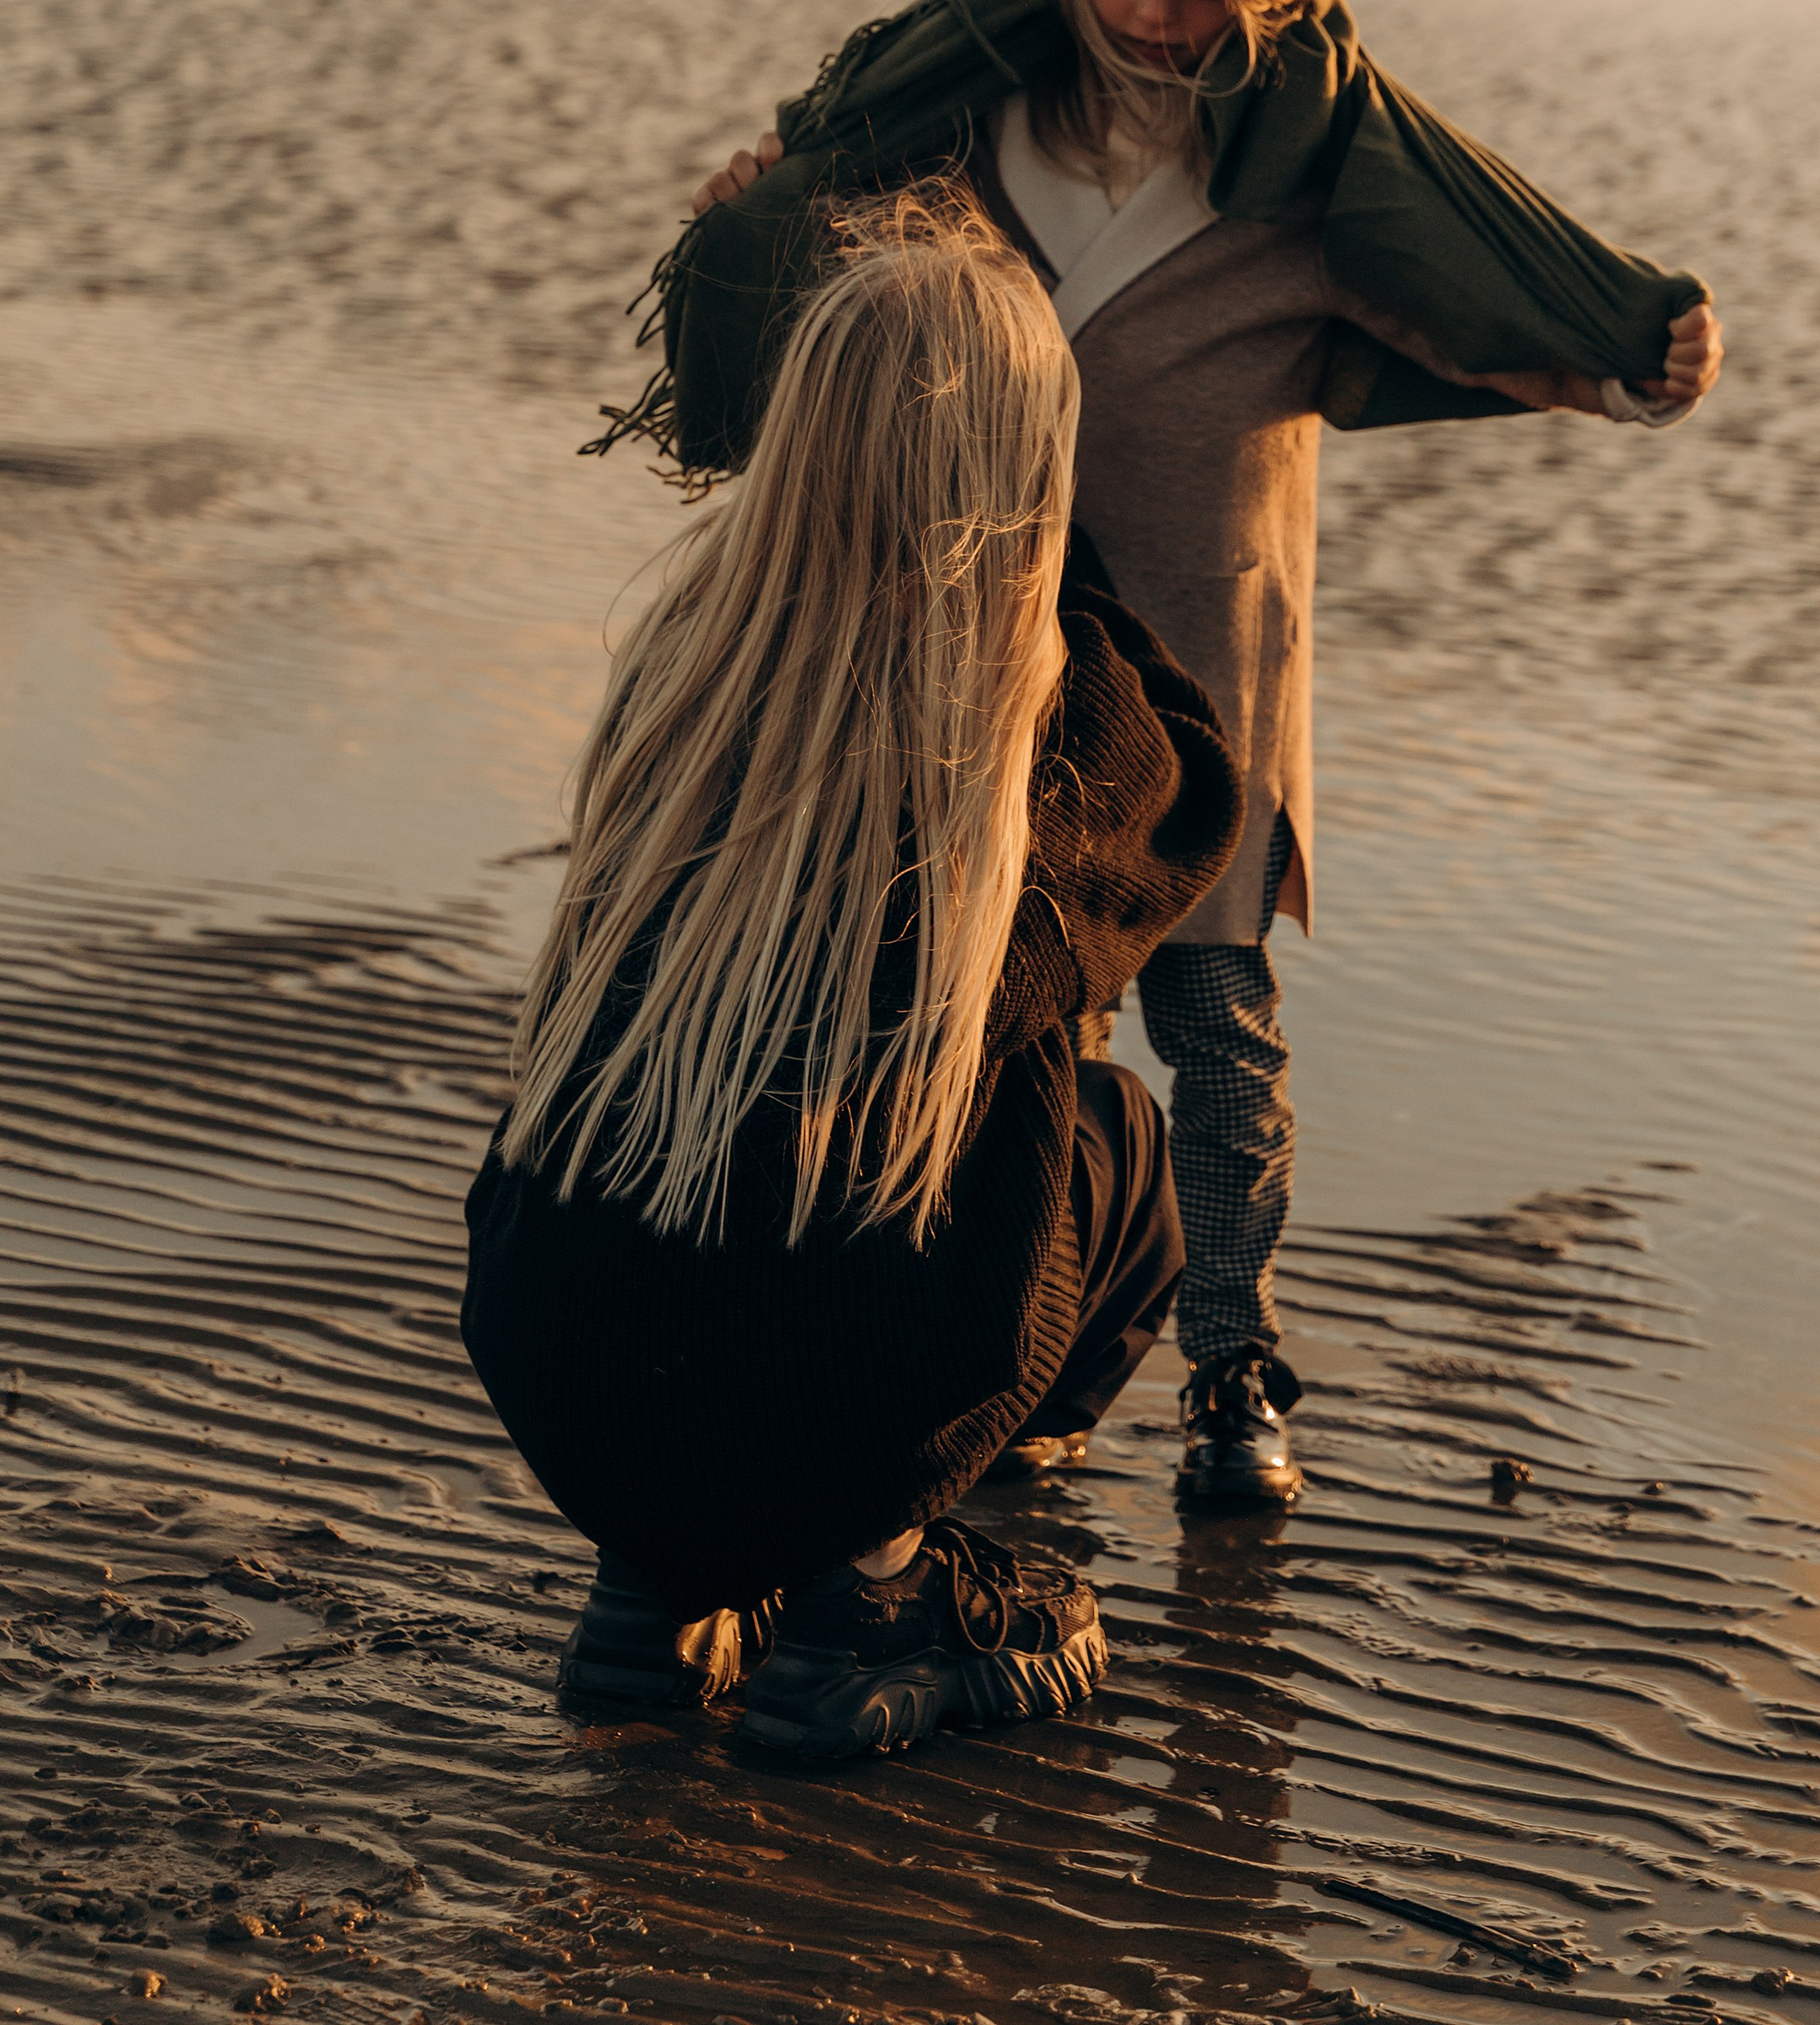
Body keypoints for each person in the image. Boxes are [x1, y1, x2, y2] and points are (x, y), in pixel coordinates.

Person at [599, 0, 1724, 1513]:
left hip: (1202, 676)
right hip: (974, 661)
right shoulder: (969, 118)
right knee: (974, 1020)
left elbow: (1478, 303)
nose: (1151, 5)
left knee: (1214, 1022)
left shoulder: (1317, 183)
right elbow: (840, 280)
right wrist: (755, 221)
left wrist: (1631, 360)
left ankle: (1232, 1366)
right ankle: (975, 1349)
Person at [465, 193, 1242, 1762]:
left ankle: (655, 1593)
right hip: (857, 1390)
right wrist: (1063, 570)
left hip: (565, 1381)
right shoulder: (1045, 726)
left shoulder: (684, 656)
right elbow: (1207, 800)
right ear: (1027, 478)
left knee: (716, 1128)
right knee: (1123, 1151)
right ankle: (871, 1595)